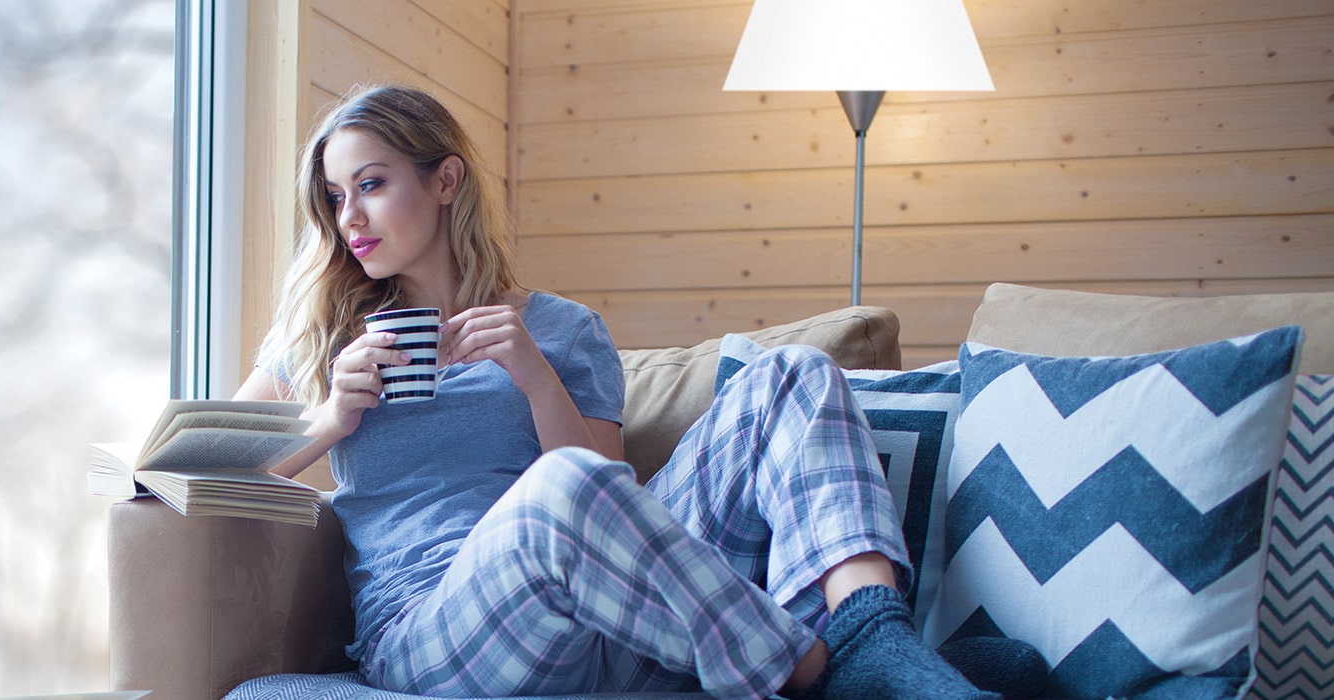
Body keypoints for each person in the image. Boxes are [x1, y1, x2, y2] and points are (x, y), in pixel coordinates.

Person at [234, 84, 1041, 700]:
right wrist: (330, 416)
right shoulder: (321, 332)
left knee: (791, 373)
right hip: (434, 635)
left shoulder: (561, 330)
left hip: (603, 617)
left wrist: (535, 376)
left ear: (445, 180)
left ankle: (878, 638)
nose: (349, 217)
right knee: (559, 489)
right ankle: (817, 667)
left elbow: (612, 495)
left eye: (370, 184)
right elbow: (208, 468)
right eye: (336, 197)